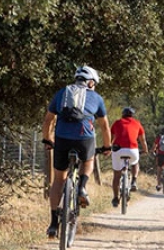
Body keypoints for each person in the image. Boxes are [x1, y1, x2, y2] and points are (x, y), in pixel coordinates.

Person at [42, 65, 112, 239]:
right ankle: (81, 187)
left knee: (59, 179)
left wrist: (47, 139)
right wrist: (107, 147)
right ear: (90, 83)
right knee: (88, 160)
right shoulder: (96, 97)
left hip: (62, 139)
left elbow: (48, 120)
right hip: (84, 139)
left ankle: (52, 224)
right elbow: (104, 126)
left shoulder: (61, 93)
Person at [110, 106, 148, 208]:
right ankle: (134, 181)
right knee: (135, 163)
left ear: (122, 114)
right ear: (132, 115)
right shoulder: (137, 123)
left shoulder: (117, 123)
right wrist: (145, 150)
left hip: (118, 150)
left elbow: (111, 138)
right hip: (132, 150)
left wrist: (108, 149)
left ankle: (115, 198)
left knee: (116, 175)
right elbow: (143, 140)